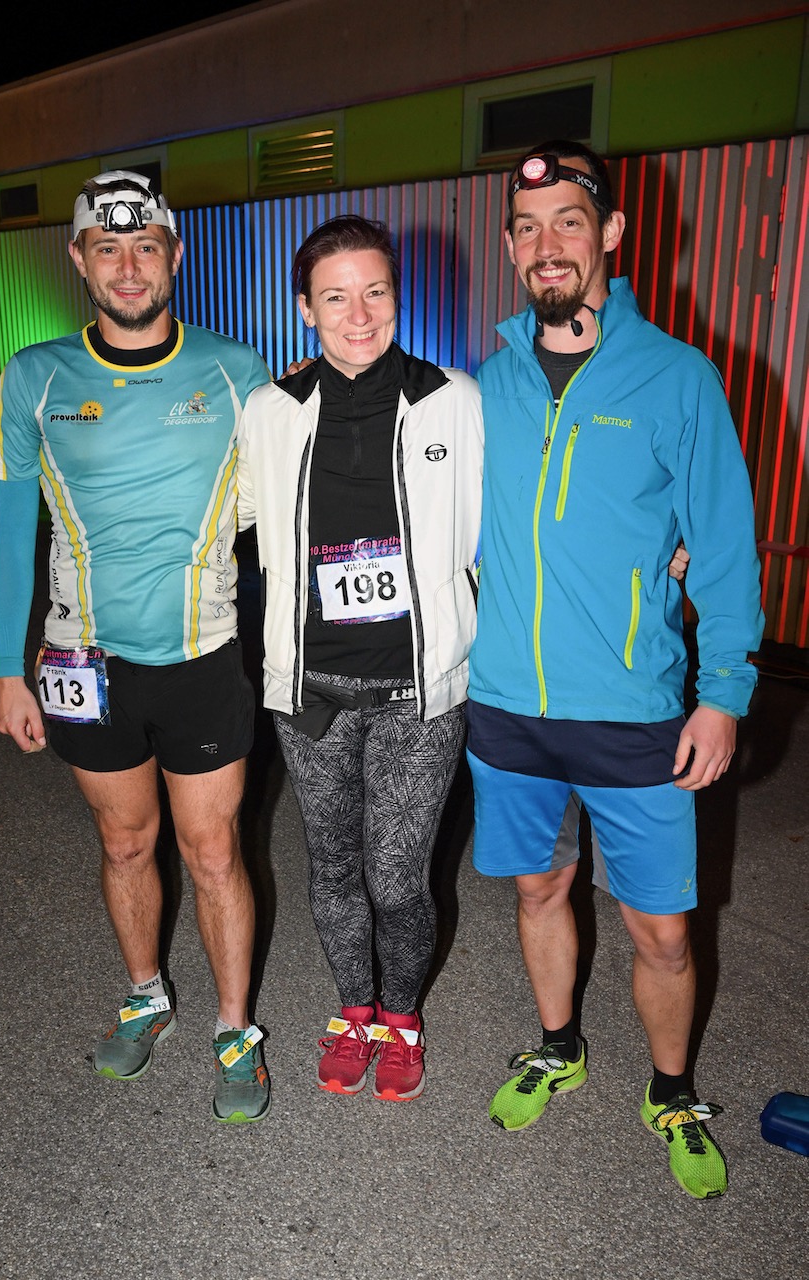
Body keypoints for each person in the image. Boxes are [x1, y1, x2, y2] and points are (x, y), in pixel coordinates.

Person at [466, 141, 764, 1198]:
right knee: (539, 886)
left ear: (609, 237)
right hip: (504, 703)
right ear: (509, 247)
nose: (548, 243)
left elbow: (721, 543)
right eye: (528, 226)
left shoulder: (675, 375)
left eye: (567, 222)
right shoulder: (482, 381)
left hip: (633, 707)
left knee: (660, 929)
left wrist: (721, 690)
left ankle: (671, 1086)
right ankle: (556, 1043)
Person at [0, 170, 273, 1125]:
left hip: (204, 654)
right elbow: (7, 534)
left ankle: (236, 1030)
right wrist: (2, 667)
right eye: (108, 247)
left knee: (215, 851)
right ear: (79, 260)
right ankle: (147, 994)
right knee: (124, 839)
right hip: (82, 661)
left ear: (174, 255)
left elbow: (305, 502)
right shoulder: (33, 376)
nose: (129, 265)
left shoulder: (238, 370)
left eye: (147, 245)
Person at [237, 215, 484, 1101]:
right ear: (305, 308)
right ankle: (354, 1009)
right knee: (333, 866)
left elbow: (509, 522)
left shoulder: (453, 400)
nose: (357, 313)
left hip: (419, 688)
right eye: (334, 296)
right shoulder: (270, 411)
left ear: (396, 296)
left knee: (395, 871)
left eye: (374, 291)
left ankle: (404, 1011)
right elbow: (217, 520)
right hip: (309, 687)